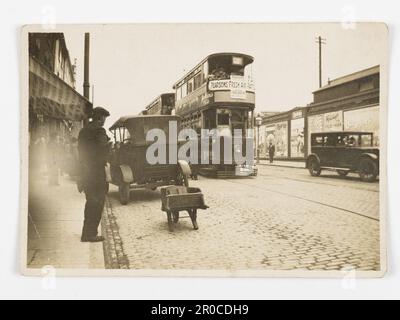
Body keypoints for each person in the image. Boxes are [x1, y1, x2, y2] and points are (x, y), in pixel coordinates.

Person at [78, 107, 111, 242]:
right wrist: (109, 145)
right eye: (104, 118)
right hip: (96, 172)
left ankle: (87, 232)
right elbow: (103, 147)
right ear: (101, 118)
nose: (104, 121)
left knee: (90, 202)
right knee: (97, 203)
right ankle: (90, 234)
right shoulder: (99, 130)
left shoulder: (83, 131)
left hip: (85, 172)